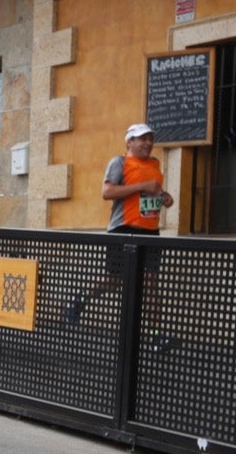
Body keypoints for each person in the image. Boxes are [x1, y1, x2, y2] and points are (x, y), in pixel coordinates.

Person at [65, 123, 174, 331]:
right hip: (124, 229)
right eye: (142, 139)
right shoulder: (119, 162)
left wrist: (164, 197)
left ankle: (157, 334)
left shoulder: (155, 163)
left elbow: (153, 192)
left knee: (150, 284)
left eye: (150, 138)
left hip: (150, 231)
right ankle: (80, 299)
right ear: (129, 141)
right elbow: (107, 192)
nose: (148, 143)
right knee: (114, 280)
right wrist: (143, 186)